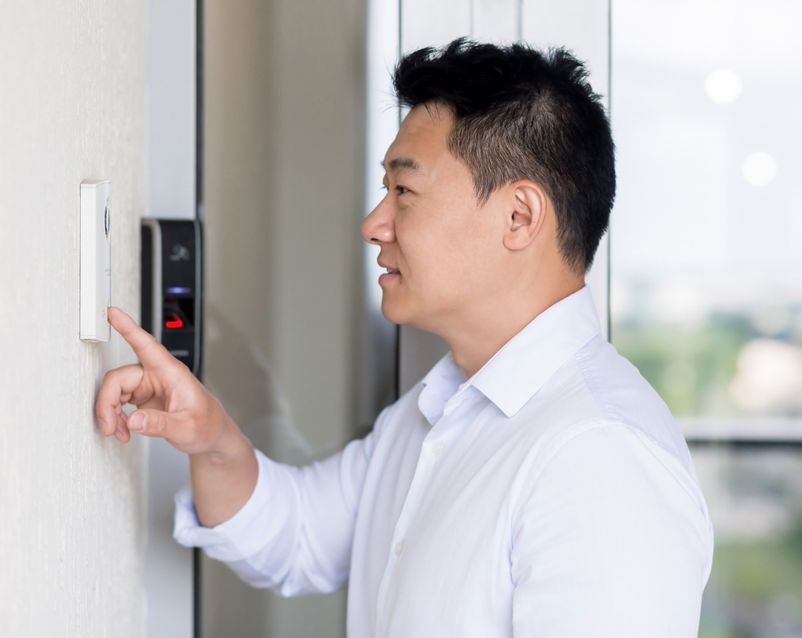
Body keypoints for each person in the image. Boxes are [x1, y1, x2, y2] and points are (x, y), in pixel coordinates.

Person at [96, 38, 713, 637]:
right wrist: (210, 436)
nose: (374, 223)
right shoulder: (434, 411)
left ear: (519, 217)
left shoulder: (599, 457)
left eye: (404, 191)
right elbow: (297, 537)